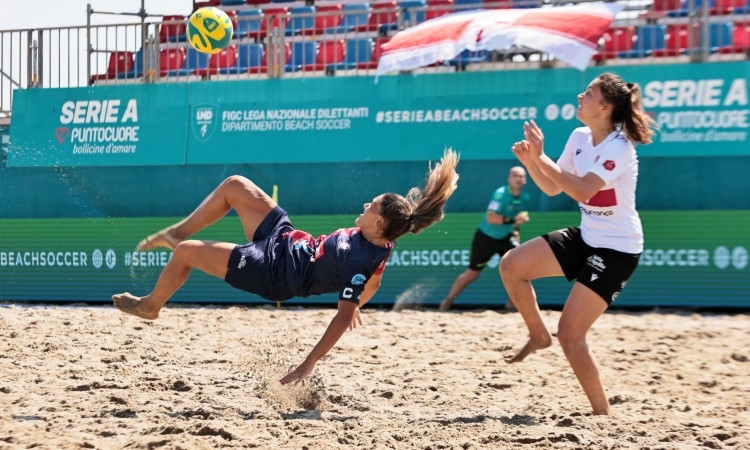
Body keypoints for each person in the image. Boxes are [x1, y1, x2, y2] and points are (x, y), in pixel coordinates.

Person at [113, 149, 459, 385]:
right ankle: (177, 232)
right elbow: (376, 283)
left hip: (274, 271)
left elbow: (342, 315)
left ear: (379, 223)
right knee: (235, 185)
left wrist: (309, 362)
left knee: (188, 253)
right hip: (287, 238)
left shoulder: (360, 260)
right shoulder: (382, 243)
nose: (367, 204)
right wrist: (361, 303)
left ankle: (150, 306)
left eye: (373, 206)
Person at [499, 73, 655, 415]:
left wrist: (540, 158)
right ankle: (538, 336)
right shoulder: (580, 136)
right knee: (511, 265)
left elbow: (583, 189)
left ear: (606, 106)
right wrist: (533, 161)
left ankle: (603, 415)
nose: (580, 96)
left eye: (589, 93)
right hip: (588, 236)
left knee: (570, 335)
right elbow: (554, 188)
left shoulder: (619, 146)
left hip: (617, 248)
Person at [438, 166, 530, 311]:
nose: (519, 179)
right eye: (515, 175)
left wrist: (516, 229)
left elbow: (519, 218)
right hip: (486, 238)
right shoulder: (500, 194)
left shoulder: (524, 198)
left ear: (525, 180)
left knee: (521, 267)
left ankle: (512, 303)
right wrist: (513, 221)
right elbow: (491, 218)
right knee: (472, 274)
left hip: (505, 237)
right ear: (509, 179)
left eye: (522, 176)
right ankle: (448, 300)